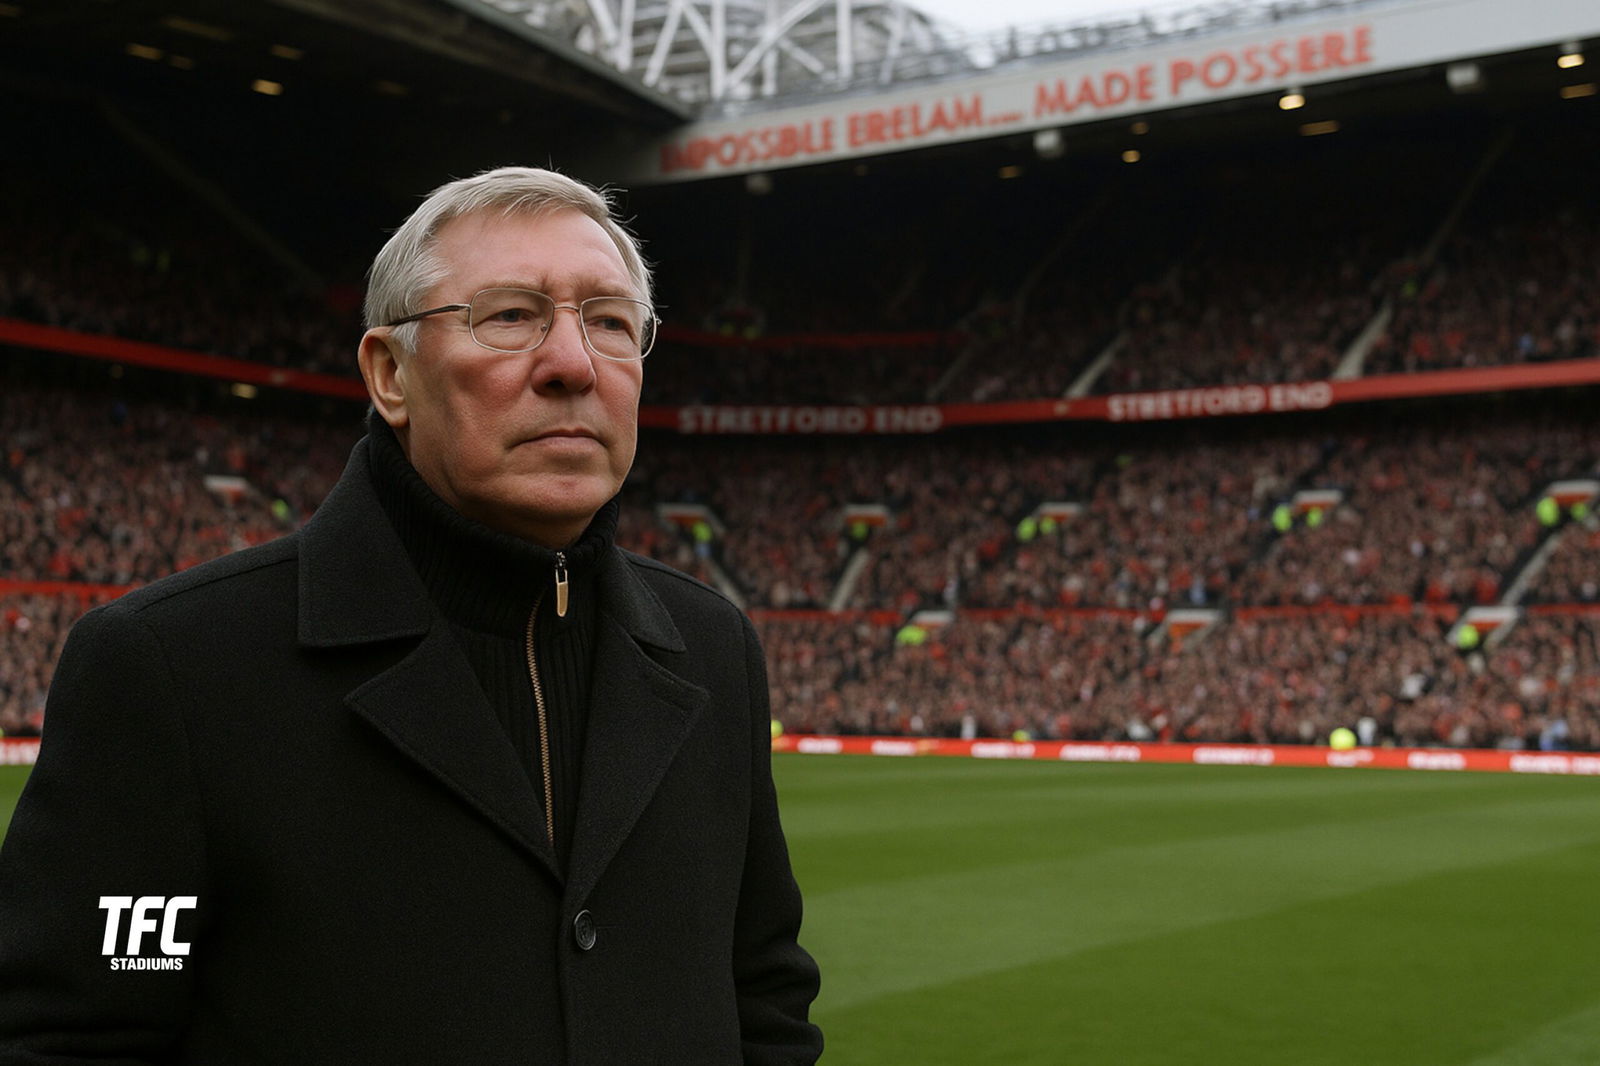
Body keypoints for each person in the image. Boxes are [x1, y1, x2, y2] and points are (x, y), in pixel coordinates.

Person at [0, 167, 823, 1064]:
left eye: (611, 322)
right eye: (509, 315)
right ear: (390, 374)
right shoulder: (172, 669)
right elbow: (69, 1040)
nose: (573, 363)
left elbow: (765, 1003)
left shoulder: (713, 650)